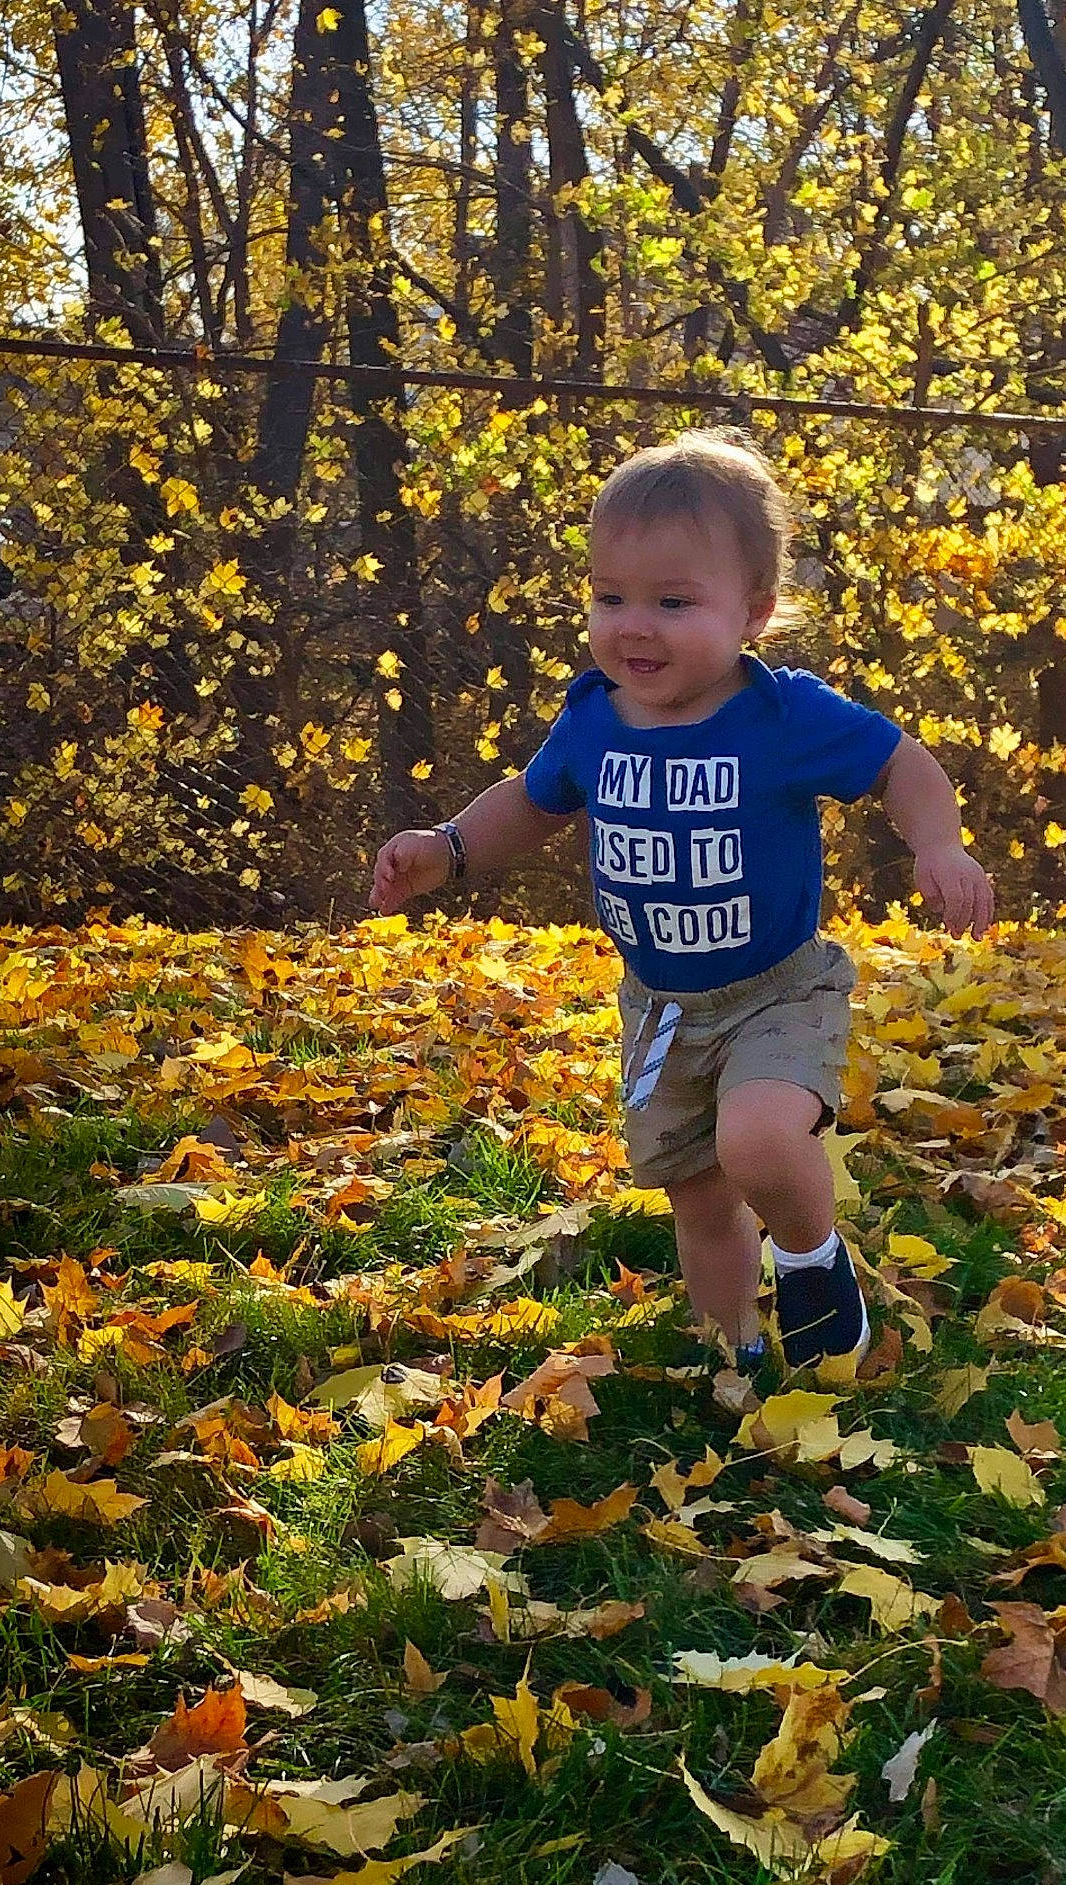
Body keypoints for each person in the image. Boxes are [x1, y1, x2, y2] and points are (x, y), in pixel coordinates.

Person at [370, 429, 994, 1378]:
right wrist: (449, 849)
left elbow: (902, 764)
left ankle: (815, 1265)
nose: (634, 626)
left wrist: (938, 842)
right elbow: (530, 805)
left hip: (777, 990)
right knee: (699, 1199)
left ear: (755, 611)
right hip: (661, 1009)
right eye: (609, 597)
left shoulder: (784, 714)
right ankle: (730, 1348)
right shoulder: (591, 718)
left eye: (673, 601)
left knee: (756, 1141)